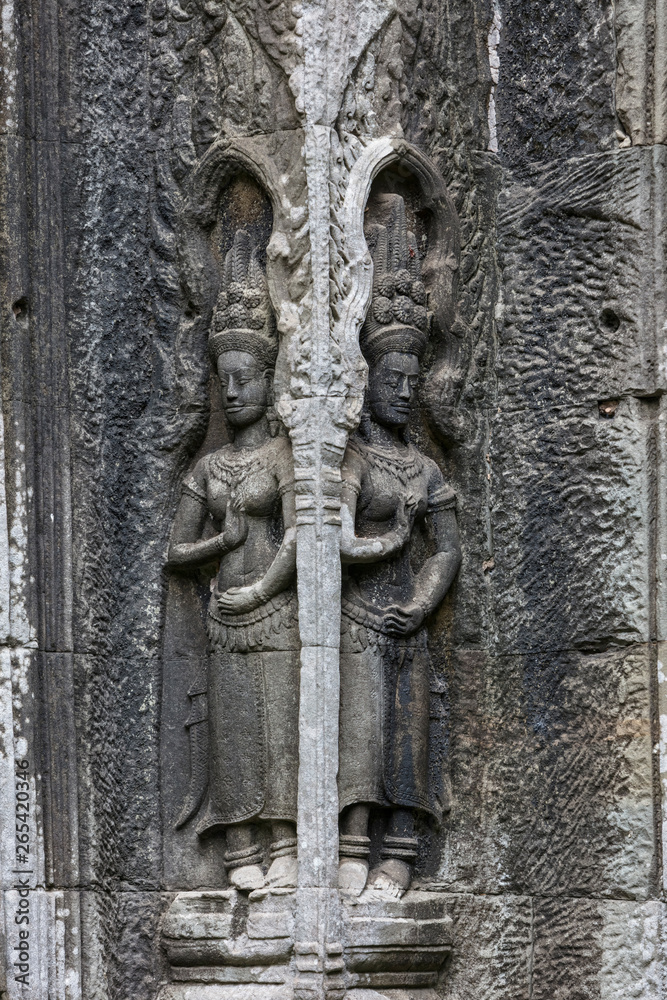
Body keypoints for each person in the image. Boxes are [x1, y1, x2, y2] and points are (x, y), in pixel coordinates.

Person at [338, 195, 461, 898]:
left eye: (413, 381)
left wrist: (418, 603)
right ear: (367, 381)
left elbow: (446, 548)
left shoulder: (424, 468)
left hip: (402, 621)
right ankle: (353, 842)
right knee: (359, 739)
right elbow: (337, 538)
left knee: (405, 741)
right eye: (392, 379)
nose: (404, 390)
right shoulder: (351, 459)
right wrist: (389, 537)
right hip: (356, 618)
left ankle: (401, 850)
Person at [168, 230, 298, 892]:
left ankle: (286, 841)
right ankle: (241, 847)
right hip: (224, 616)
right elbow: (175, 551)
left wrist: (261, 589)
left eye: (247, 378)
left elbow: (304, 533)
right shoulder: (208, 466)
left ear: (270, 379)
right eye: (226, 380)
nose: (236, 391)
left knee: (280, 728)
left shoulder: (283, 459)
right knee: (235, 732)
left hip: (273, 609)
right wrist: (221, 545)